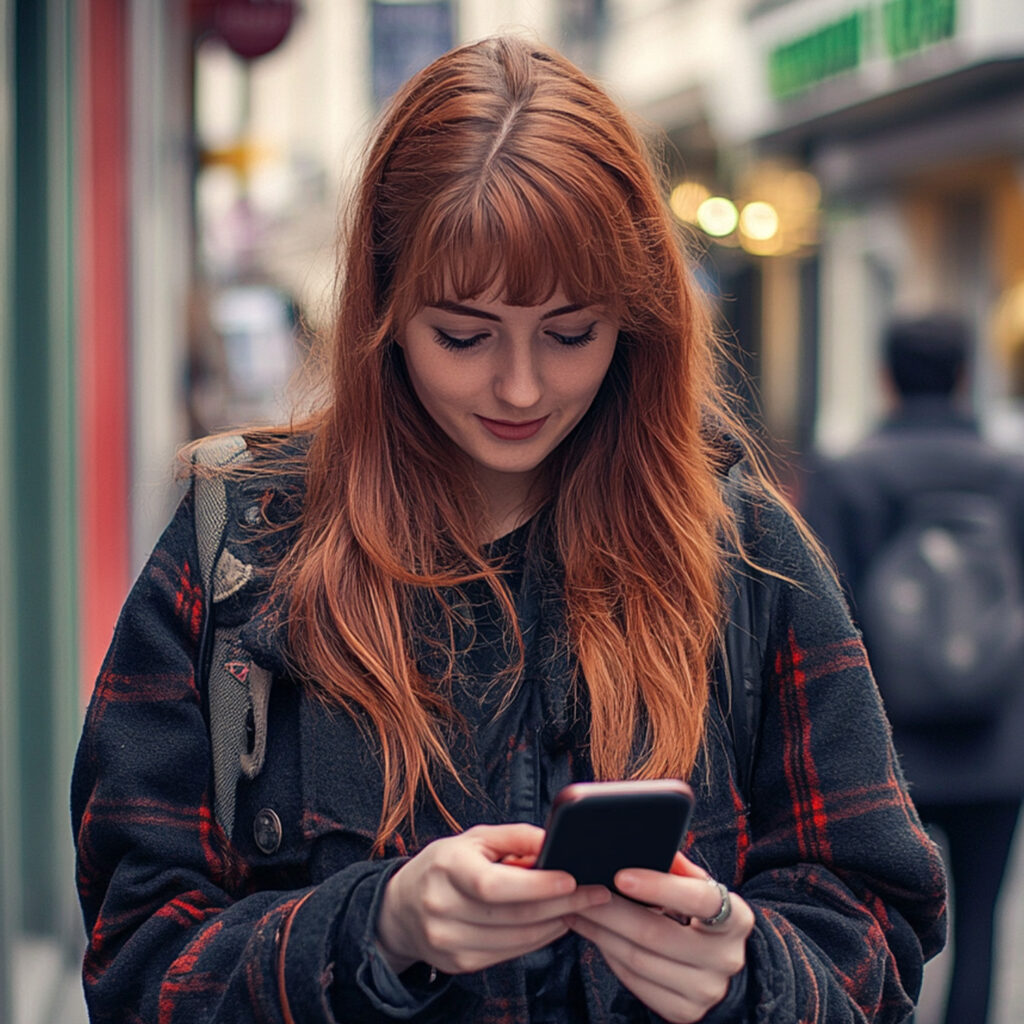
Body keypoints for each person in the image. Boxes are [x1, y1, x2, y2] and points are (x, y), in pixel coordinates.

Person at [71, 36, 946, 1024]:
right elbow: (137, 958)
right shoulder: (241, 547)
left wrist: (750, 977)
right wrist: (378, 927)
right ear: (385, 311)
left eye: (571, 333)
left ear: (636, 318)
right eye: (463, 334)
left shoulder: (738, 549)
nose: (522, 388)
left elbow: (879, 927)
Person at [800, 313, 1024, 1024]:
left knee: (878, 925)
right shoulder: (1010, 476)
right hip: (998, 740)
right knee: (983, 918)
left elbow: (817, 610)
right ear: (964, 376)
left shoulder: (849, 475)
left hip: (884, 751)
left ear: (886, 377)